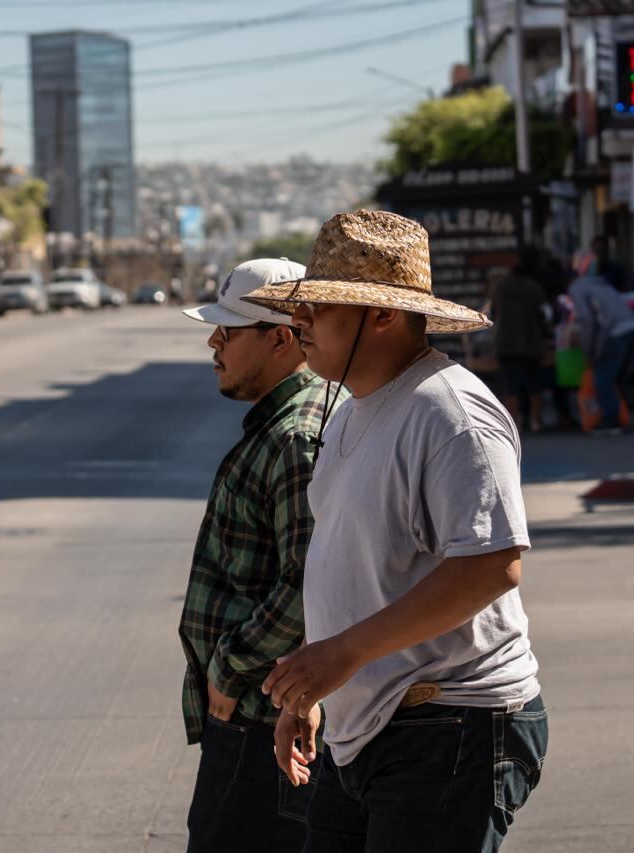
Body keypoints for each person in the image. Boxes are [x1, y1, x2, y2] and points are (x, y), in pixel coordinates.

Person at [244, 210, 547, 853]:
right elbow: (354, 562)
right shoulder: (352, 410)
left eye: (322, 308)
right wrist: (311, 693)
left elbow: (491, 566)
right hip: (366, 731)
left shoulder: (449, 411)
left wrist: (343, 654)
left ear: (382, 315)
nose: (300, 322)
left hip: (448, 727)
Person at [177, 258, 334, 853]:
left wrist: (231, 665)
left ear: (281, 337)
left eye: (230, 330)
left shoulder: (296, 437)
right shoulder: (283, 427)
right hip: (261, 711)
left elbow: (309, 582)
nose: (214, 342)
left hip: (263, 718)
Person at [568, 271, 634, 433]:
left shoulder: (577, 288)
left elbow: (588, 321)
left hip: (615, 332)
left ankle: (611, 420)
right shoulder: (602, 285)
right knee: (615, 377)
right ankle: (619, 416)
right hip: (633, 328)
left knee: (602, 377)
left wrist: (589, 351)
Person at [489, 247, 549, 432]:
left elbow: (493, 313)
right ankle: (536, 421)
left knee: (510, 385)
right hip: (530, 342)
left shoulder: (500, 288)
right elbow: (544, 315)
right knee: (534, 384)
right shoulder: (535, 288)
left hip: (505, 342)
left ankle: (513, 424)